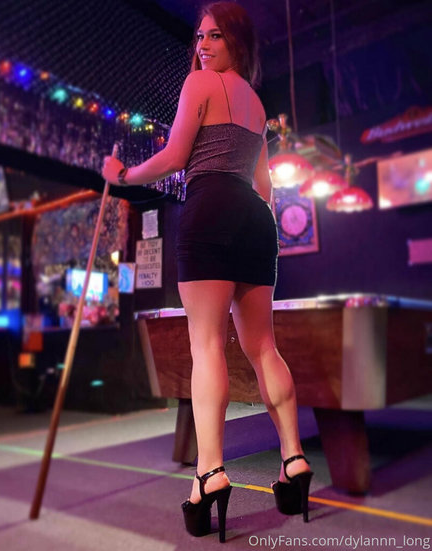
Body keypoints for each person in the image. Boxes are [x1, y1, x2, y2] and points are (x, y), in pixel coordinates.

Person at [102, 1, 312, 542]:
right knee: (263, 347)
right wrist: (264, 237)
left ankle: (210, 472)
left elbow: (176, 157)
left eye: (214, 36)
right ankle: (293, 461)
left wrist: (123, 175)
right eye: (198, 37)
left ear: (237, 41)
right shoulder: (257, 104)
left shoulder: (200, 84)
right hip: (255, 219)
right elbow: (265, 187)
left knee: (208, 346)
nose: (201, 46)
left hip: (211, 209)